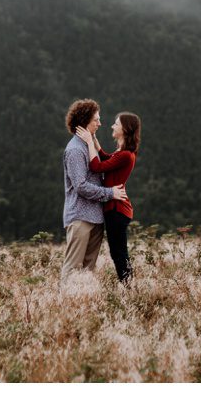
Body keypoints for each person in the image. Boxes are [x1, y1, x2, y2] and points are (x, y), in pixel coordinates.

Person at [61, 98, 127, 280]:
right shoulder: (75, 150)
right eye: (96, 120)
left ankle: (85, 296)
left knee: (88, 269)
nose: (100, 123)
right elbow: (81, 186)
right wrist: (110, 193)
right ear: (84, 121)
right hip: (80, 217)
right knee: (73, 267)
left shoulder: (88, 146)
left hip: (96, 217)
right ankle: (67, 297)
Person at [76, 111, 140, 283]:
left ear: (125, 129)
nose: (112, 126)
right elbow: (107, 159)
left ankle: (128, 287)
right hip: (116, 209)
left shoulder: (125, 155)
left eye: (116, 124)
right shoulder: (122, 152)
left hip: (117, 209)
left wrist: (89, 142)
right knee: (118, 251)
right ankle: (128, 285)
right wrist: (95, 143)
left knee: (118, 252)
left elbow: (97, 166)